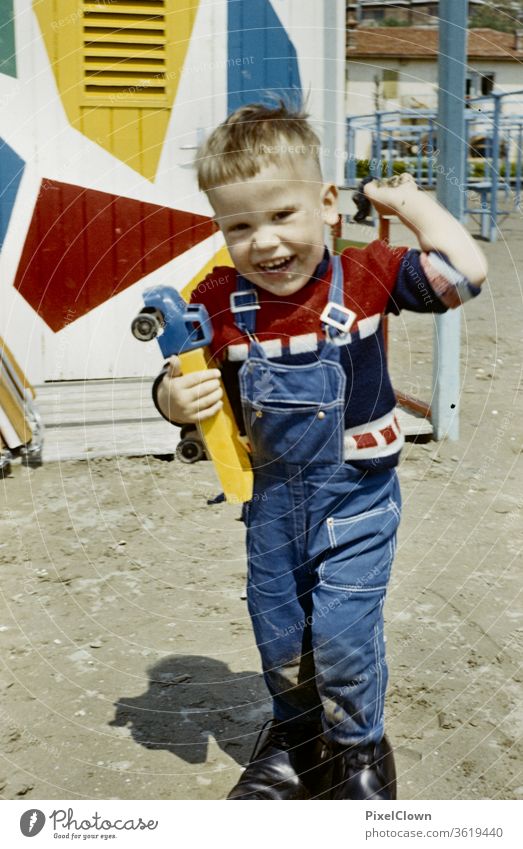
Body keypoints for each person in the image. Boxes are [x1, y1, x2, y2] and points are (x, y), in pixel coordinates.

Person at [152, 101, 487, 800]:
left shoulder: (365, 279)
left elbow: (463, 272)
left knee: (339, 631)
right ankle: (295, 745)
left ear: (328, 204)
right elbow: (174, 373)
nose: (264, 243)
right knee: (279, 632)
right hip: (271, 502)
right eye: (239, 226)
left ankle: (360, 749)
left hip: (357, 499)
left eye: (282, 215)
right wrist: (172, 400)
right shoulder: (216, 301)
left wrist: (409, 201)